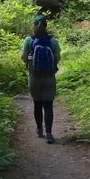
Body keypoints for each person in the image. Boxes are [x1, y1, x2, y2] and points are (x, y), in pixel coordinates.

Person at [21, 15, 61, 143]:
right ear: (46, 26)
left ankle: (39, 129)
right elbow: (57, 58)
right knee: (48, 104)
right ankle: (49, 133)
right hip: (49, 78)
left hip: (34, 77)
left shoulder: (29, 40)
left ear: (34, 26)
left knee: (37, 104)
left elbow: (23, 57)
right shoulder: (53, 41)